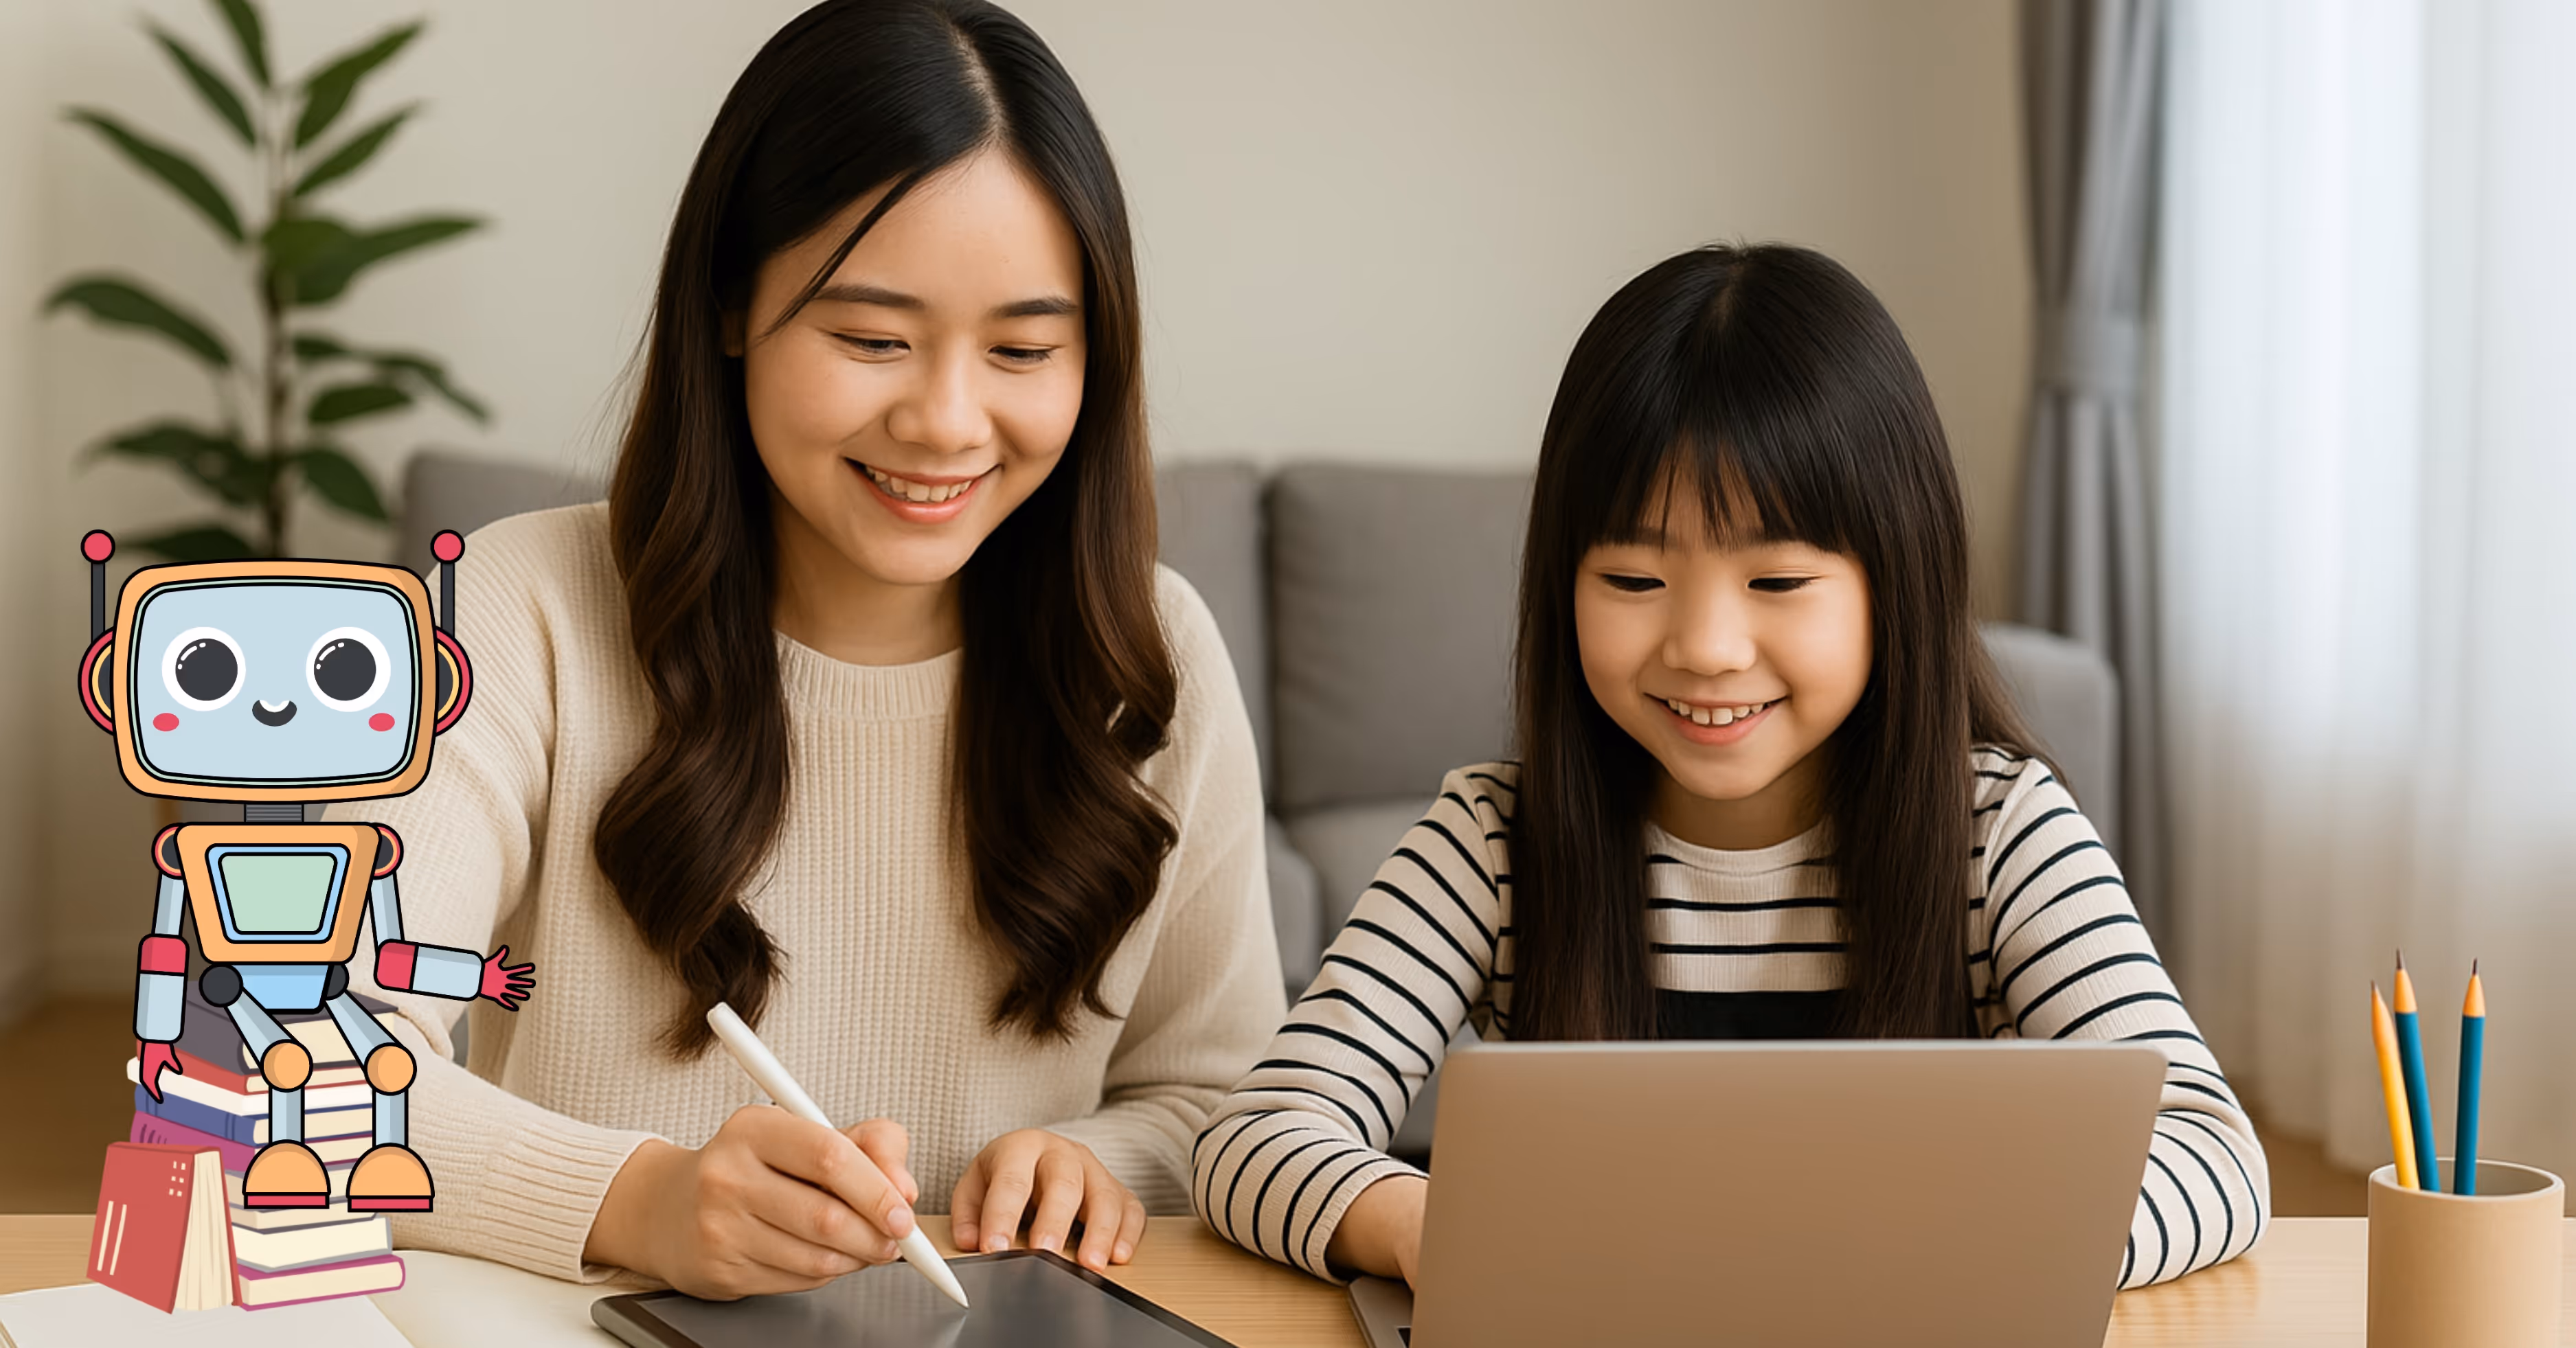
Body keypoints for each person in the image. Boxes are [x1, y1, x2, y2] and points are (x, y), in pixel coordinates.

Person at [335, 0, 1282, 1297]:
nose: (946, 420)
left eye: (1022, 349)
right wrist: (640, 1199)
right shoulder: (513, 612)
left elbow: (1219, 1098)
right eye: (872, 338)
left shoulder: (1151, 653)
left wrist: (1093, 1157)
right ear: (732, 307)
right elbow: (290, 1066)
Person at [1191, 244, 2268, 1290]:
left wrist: (1985, 1249)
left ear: (1896, 580)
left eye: (1779, 580)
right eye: (1631, 575)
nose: (1705, 645)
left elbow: (2214, 1156)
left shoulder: (1995, 831)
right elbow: (1255, 1137)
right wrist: (1438, 1226)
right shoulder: (1491, 841)